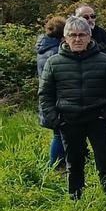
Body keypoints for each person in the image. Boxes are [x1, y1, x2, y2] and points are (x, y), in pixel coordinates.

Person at [38, 16, 106, 197]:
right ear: (65, 37)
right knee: (74, 164)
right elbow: (45, 95)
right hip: (69, 121)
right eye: (73, 35)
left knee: (105, 162)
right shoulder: (54, 63)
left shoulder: (104, 60)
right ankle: (76, 199)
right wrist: (56, 120)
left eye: (81, 35)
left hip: (98, 119)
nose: (77, 39)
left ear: (89, 37)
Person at [36, 16, 67, 170]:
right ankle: (56, 167)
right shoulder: (56, 52)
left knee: (58, 134)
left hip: (48, 99)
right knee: (60, 135)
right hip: (55, 100)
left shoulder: (43, 48)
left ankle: (57, 166)